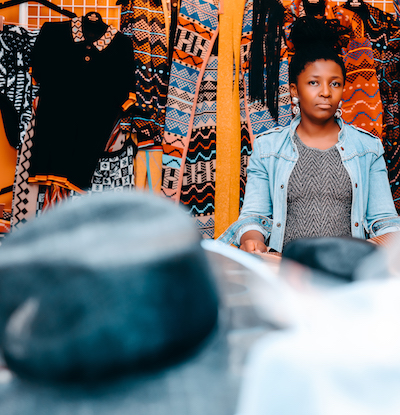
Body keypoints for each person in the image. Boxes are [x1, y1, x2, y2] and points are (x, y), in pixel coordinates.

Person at [218, 16, 400, 254]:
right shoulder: (268, 147)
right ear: (295, 89)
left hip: (345, 273)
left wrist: (356, 251)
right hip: (285, 271)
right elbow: (254, 215)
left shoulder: (368, 147)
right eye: (314, 83)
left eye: (335, 84)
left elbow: (385, 221)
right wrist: (252, 240)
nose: (325, 92)